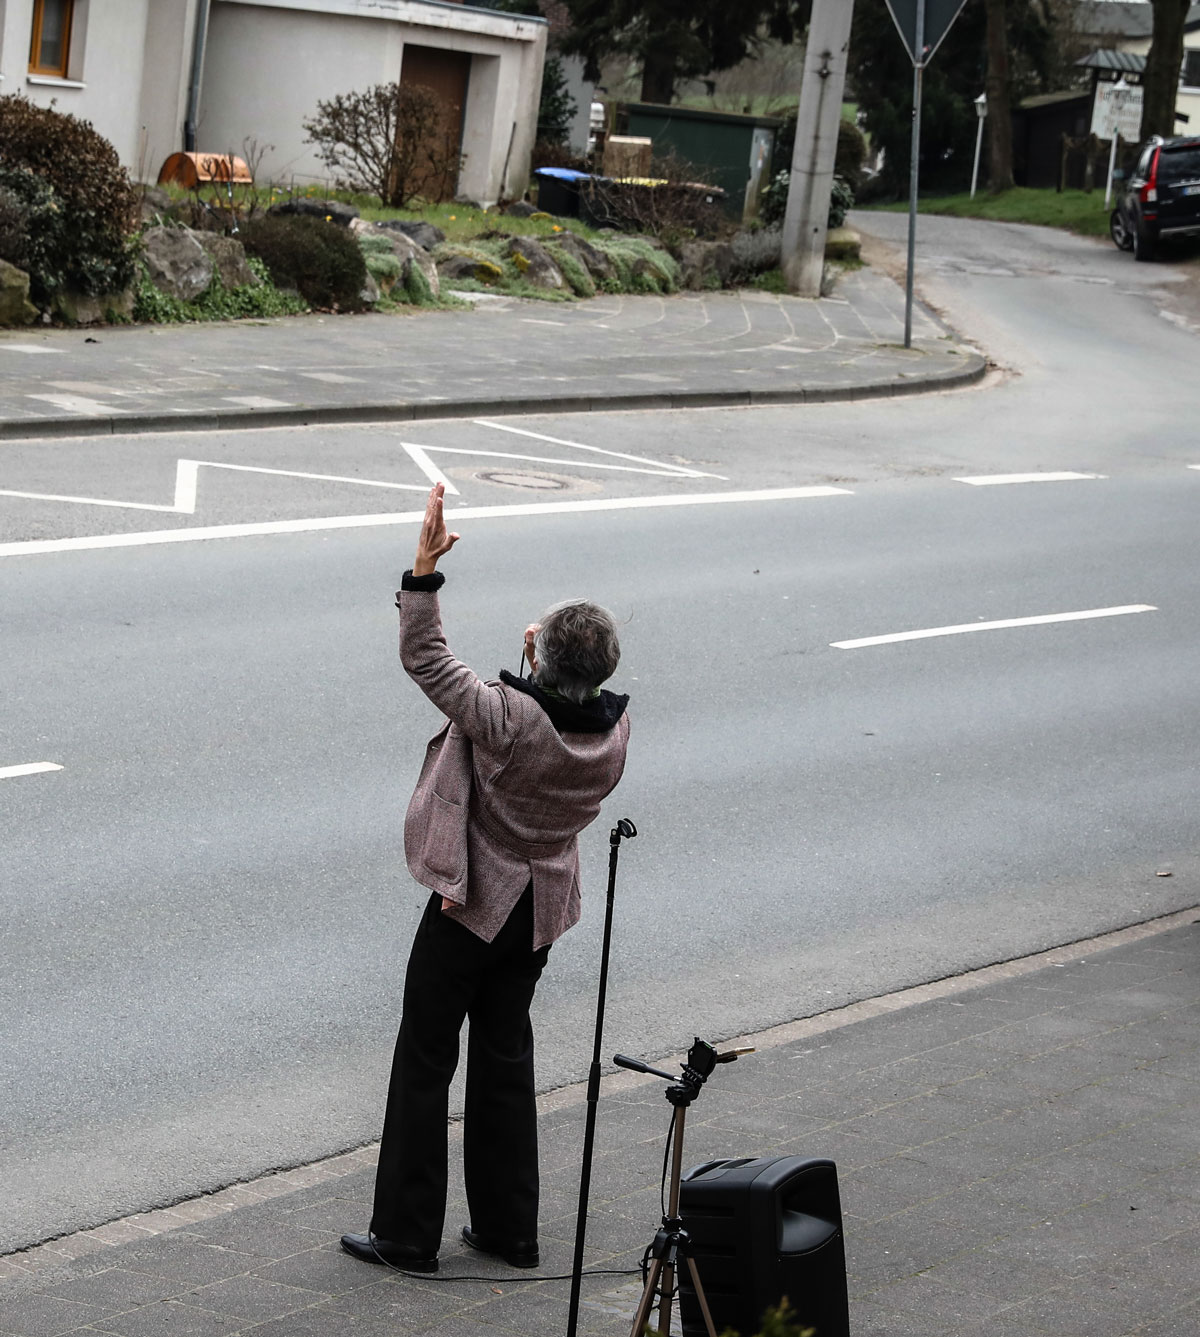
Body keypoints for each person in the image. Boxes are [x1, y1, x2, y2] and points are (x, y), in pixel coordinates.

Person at [342, 482, 631, 1274]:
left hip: (468, 904)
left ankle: (405, 1233)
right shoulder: (613, 731)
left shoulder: (508, 716)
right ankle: (509, 1230)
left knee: (426, 1056)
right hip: (537, 914)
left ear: (539, 652)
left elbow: (426, 657)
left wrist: (424, 571)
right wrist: (543, 658)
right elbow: (571, 696)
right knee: (505, 1058)